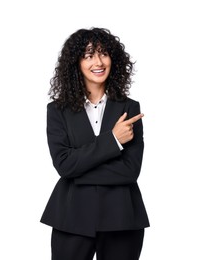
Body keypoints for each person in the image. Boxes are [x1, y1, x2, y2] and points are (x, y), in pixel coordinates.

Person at [40, 27, 150, 260]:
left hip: (122, 219)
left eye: (104, 53)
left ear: (114, 59)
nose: (98, 62)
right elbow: (64, 165)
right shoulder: (57, 111)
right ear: (76, 63)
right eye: (89, 55)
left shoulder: (130, 108)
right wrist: (113, 140)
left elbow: (130, 171)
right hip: (71, 219)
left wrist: (77, 171)